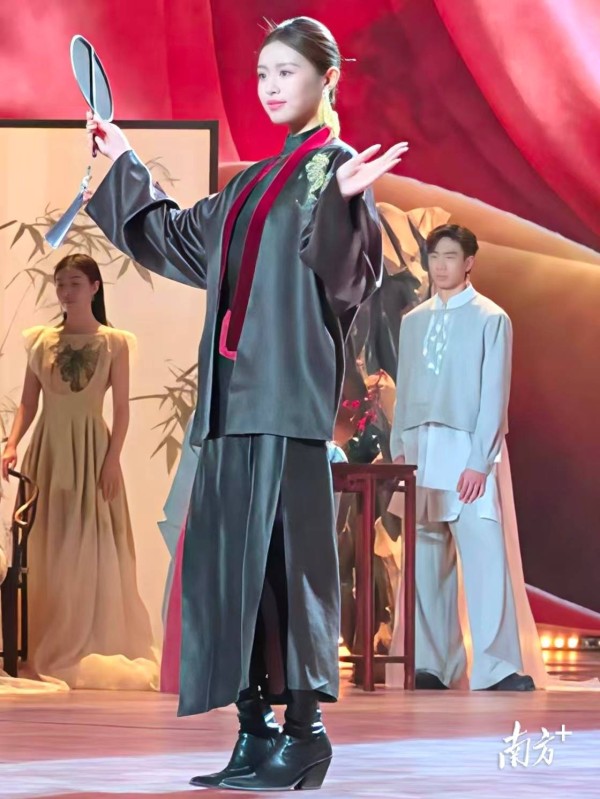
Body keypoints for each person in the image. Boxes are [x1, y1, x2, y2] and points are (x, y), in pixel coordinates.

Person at [84, 15, 407, 792]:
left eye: (286, 71)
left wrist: (346, 205)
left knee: (290, 569)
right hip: (230, 404)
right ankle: (253, 730)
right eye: (262, 73)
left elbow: (347, 280)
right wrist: (123, 158)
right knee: (235, 573)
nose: (269, 86)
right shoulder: (250, 184)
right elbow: (177, 239)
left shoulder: (335, 170)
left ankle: (306, 734)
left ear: (328, 78)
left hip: (286, 400)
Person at [387, 224, 546, 692]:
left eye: (450, 256)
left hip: (467, 450)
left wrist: (480, 461)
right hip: (420, 449)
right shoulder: (413, 322)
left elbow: (494, 395)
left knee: (485, 557)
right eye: (434, 256)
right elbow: (405, 391)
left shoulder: (490, 318)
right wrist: (400, 454)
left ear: (470, 262)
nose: (440, 266)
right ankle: (433, 664)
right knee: (426, 559)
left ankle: (497, 666)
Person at [0, 254, 157, 690]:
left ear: (94, 287)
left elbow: (121, 409)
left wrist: (113, 459)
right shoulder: (40, 341)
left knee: (90, 542)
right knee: (46, 540)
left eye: (74, 283)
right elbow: (28, 402)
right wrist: (12, 444)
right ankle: (38, 639)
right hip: (48, 449)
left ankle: (83, 636)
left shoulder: (115, 343)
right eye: (60, 284)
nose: (66, 292)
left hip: (92, 449)